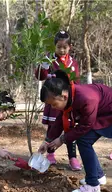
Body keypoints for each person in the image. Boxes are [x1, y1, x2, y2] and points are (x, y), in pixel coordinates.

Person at [38, 70, 112, 192]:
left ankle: (92, 186)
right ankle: (98, 176)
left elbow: (86, 125)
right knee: (83, 139)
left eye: (53, 104)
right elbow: (60, 120)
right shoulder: (70, 96)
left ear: (64, 96)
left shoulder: (86, 98)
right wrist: (47, 140)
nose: (53, 108)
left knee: (83, 140)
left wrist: (62, 139)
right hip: (101, 111)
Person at [35, 30, 82, 171]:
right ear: (54, 46)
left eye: (64, 47)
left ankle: (72, 157)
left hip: (68, 101)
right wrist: (43, 66)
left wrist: (76, 98)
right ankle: (50, 153)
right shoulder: (49, 60)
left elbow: (77, 80)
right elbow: (40, 76)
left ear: (70, 47)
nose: (62, 50)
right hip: (54, 100)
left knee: (70, 127)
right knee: (53, 126)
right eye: (59, 47)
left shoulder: (73, 62)